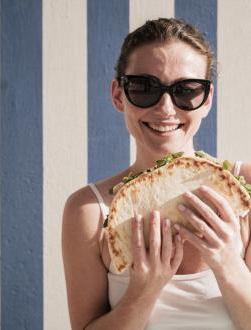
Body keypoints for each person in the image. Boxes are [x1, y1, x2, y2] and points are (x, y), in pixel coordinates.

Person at [62, 18, 251, 330]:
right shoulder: (89, 211)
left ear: (207, 100)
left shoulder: (244, 190)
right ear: (118, 95)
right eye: (143, 88)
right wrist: (143, 291)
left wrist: (228, 264)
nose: (165, 108)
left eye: (187, 90)